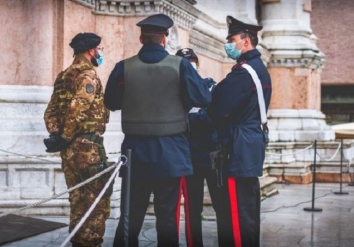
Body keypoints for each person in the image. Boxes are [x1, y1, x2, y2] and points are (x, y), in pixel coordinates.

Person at [104, 14, 214, 247]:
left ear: (141, 38)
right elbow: (202, 97)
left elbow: (111, 102)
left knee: (130, 217)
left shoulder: (124, 67)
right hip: (170, 153)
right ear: (165, 39)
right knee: (166, 218)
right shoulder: (181, 66)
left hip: (135, 154)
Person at [43, 32, 112, 247]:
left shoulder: (64, 75)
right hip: (87, 147)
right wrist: (63, 136)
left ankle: (77, 242)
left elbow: (51, 111)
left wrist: (57, 136)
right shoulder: (87, 75)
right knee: (96, 201)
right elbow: (79, 108)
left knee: (77, 199)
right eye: (99, 49)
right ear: (91, 50)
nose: (100, 53)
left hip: (70, 149)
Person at [209, 16, 272, 247]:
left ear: (246, 42)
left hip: (238, 148)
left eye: (232, 39)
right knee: (246, 209)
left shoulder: (245, 72)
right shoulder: (256, 68)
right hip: (248, 144)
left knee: (236, 213)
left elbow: (218, 105)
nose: (229, 44)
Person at [175, 48, 217, 247]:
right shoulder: (176, 92)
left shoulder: (209, 86)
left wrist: (191, 119)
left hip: (211, 157)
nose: (190, 65)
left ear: (198, 65)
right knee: (193, 207)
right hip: (188, 158)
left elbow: (213, 117)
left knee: (221, 204)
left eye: (192, 61)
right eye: (185, 62)